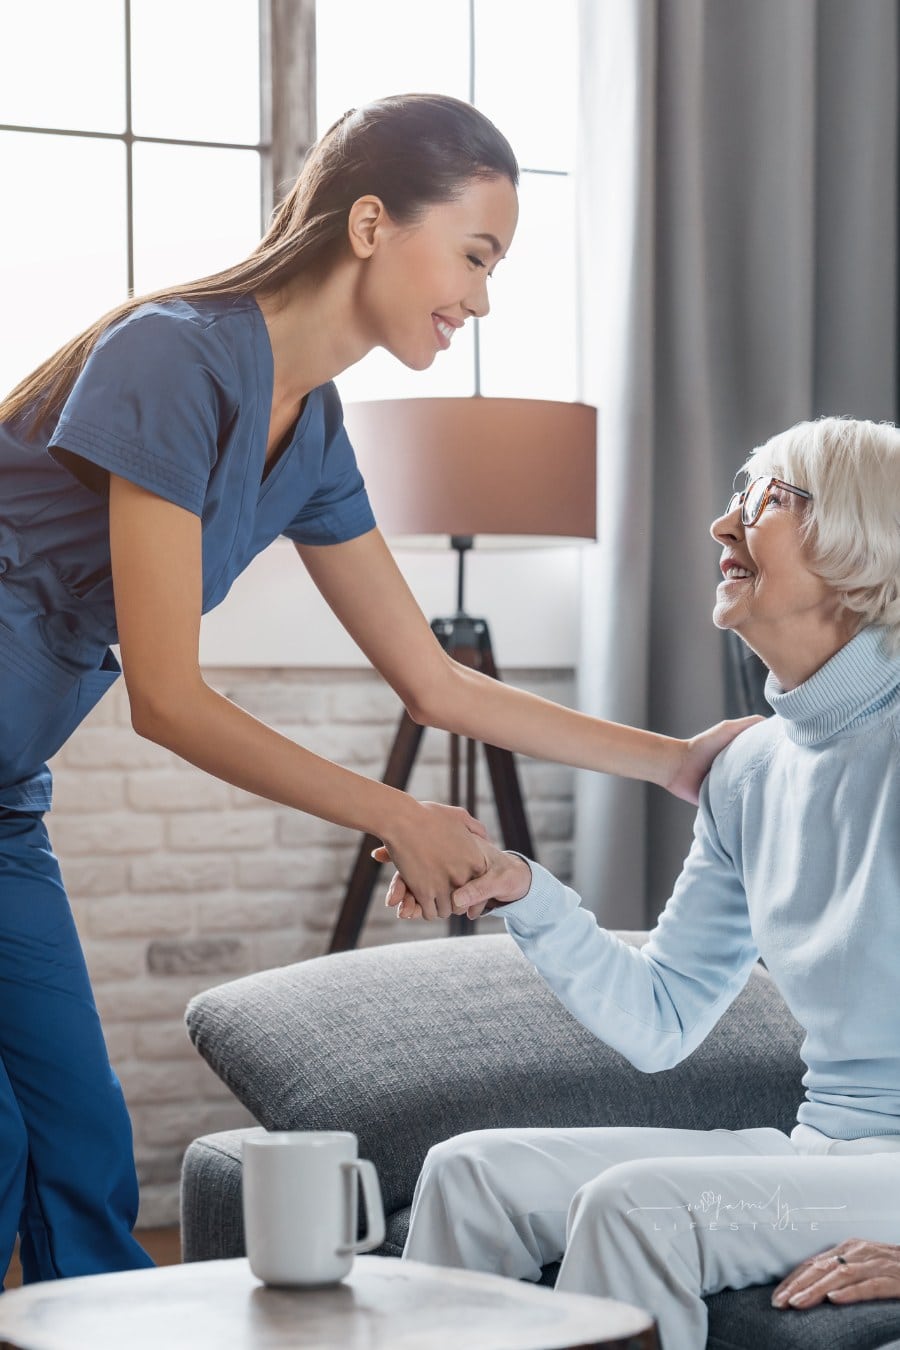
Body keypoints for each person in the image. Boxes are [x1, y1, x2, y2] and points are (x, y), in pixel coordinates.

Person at [0, 94, 751, 1286]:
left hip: (5, 804)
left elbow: (434, 680)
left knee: (79, 1151)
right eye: (475, 255)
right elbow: (168, 697)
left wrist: (673, 761)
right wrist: (398, 813)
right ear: (368, 225)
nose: (482, 299)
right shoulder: (171, 355)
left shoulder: (313, 431)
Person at [389, 416, 900, 1347]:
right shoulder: (748, 772)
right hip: (822, 1150)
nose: (722, 524)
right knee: (469, 1173)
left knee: (635, 1207)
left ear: (863, 539)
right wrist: (526, 893)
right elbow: (661, 1018)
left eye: (767, 500)